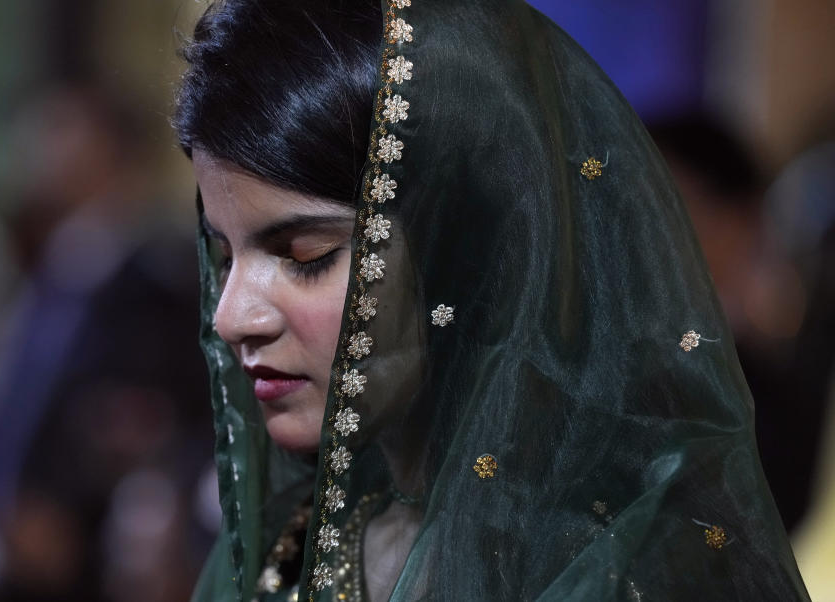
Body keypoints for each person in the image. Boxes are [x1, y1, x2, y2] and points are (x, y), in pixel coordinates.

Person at [173, 0, 810, 600]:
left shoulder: (634, 566)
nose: (231, 318)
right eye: (223, 258)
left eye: (305, 256)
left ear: (471, 248)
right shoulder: (289, 549)